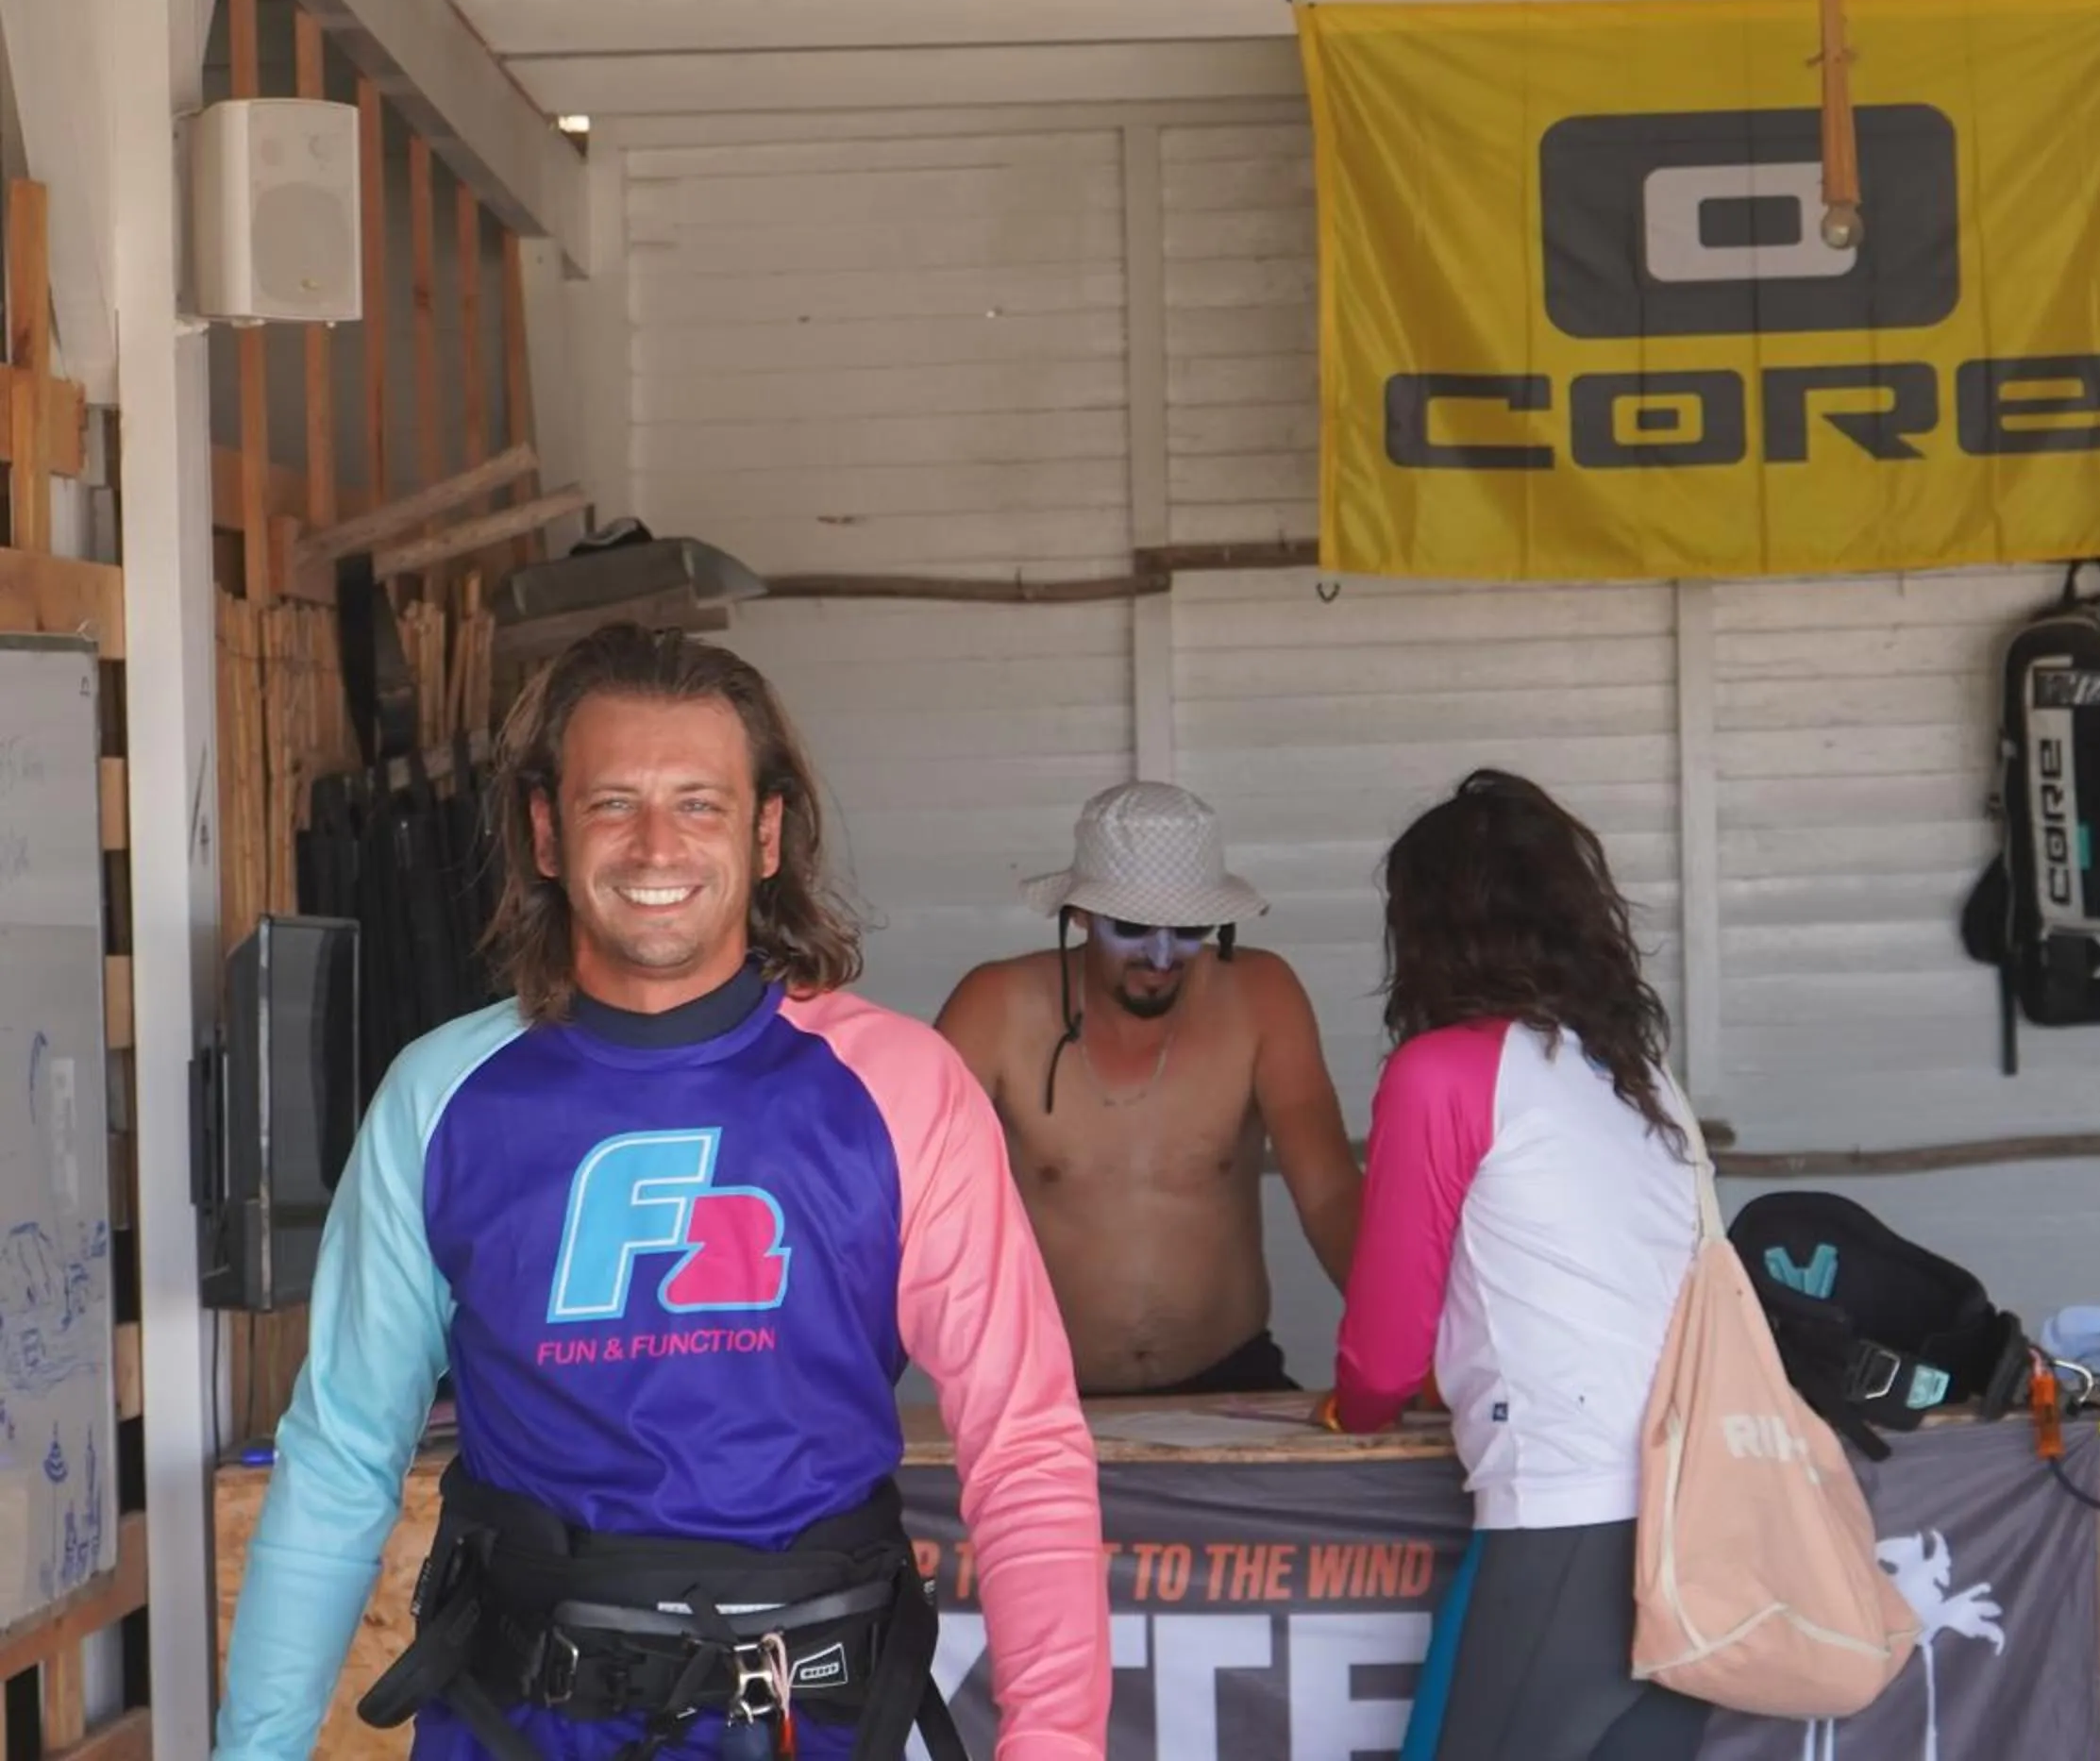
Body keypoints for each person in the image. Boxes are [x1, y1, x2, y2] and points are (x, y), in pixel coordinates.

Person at [214, 625, 1110, 1761]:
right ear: (545, 830)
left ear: (766, 831)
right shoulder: (441, 1098)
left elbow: (1024, 1442)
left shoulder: (899, 1090)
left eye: (699, 801)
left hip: (808, 1728)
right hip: (521, 1726)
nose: (654, 843)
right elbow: (343, 1451)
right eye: (611, 802)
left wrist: (1060, 1744)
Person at [1322, 768, 1710, 1761]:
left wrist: (1351, 1410)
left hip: (1564, 1513)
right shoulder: (1638, 1077)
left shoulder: (1442, 1072)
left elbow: (1381, 1359)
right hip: (1684, 1515)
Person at [935, 781, 1361, 1397]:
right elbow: (904, 1199)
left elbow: (1329, 1193)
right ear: (1080, 914)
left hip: (1231, 1378)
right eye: (1134, 927)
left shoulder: (1261, 995)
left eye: (1189, 930)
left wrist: (1412, 1338)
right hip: (1044, 1389)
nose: (1162, 956)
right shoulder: (997, 1006)